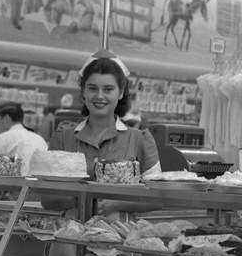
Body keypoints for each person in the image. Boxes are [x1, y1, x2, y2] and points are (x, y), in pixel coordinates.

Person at [47, 49, 161, 178]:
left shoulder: (140, 140)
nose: (99, 96)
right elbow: (49, 193)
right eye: (92, 88)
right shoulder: (62, 139)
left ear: (121, 92)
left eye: (108, 89)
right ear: (83, 91)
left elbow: (153, 194)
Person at [0, 102, 47, 175]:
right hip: (40, 185)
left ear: (6, 118)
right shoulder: (39, 139)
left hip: (16, 184)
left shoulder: (4, 138)